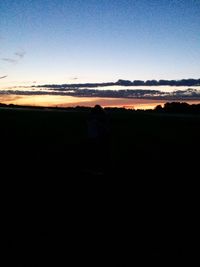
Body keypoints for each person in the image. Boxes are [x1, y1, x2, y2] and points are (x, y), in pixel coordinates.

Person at [86, 105, 110, 174]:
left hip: (92, 137)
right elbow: (105, 129)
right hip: (97, 137)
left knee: (94, 153)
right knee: (98, 153)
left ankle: (95, 167)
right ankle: (98, 168)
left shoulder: (90, 118)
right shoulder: (98, 119)